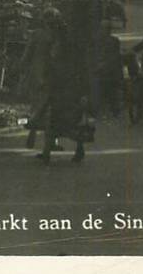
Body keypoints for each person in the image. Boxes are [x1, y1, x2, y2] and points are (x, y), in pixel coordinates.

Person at [39, 11, 91, 164]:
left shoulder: (60, 49)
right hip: (68, 90)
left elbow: (55, 68)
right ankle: (74, 149)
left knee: (58, 121)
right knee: (70, 122)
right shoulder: (69, 49)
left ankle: (48, 152)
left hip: (63, 91)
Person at [20, 10, 60, 150]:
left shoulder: (37, 34)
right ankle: (51, 140)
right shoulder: (56, 35)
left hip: (39, 75)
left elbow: (27, 55)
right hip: (49, 75)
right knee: (52, 106)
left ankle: (33, 133)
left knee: (38, 105)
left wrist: (24, 67)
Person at [97, 20, 124, 118]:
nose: (104, 31)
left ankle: (114, 108)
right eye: (103, 28)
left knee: (111, 87)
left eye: (106, 29)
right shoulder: (97, 41)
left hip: (109, 69)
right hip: (100, 68)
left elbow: (114, 56)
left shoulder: (114, 41)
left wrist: (104, 64)